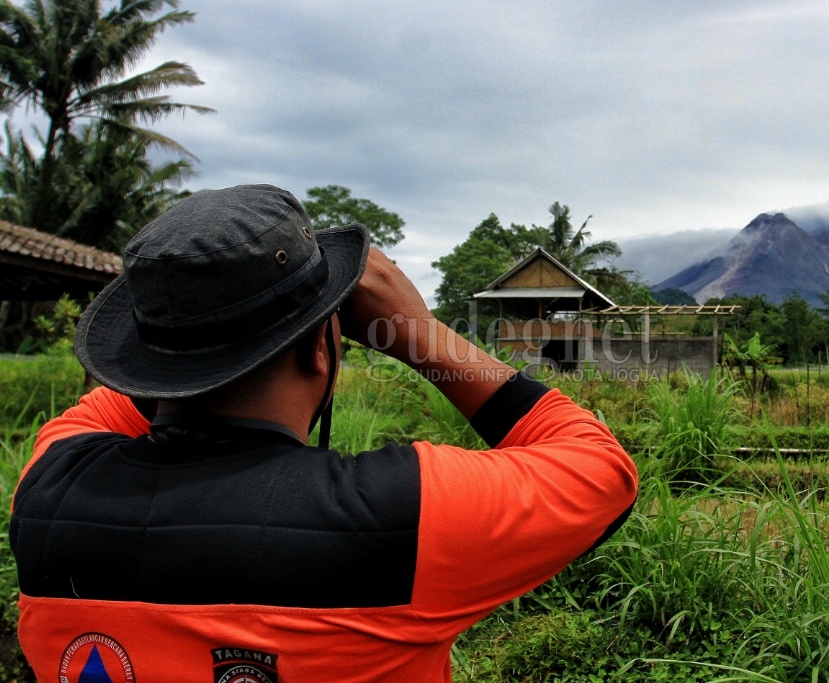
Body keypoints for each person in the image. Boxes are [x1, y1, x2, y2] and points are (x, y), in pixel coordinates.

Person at [10, 184, 638, 682]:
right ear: (321, 350)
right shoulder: (403, 513)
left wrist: (187, 319)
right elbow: (599, 467)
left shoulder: (46, 487)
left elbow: (133, 391)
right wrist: (417, 333)